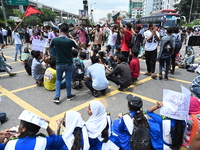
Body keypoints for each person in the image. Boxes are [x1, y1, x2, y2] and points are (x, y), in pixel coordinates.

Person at [49, 23, 80, 103]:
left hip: (59, 63)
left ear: (60, 30)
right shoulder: (70, 41)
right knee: (68, 79)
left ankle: (57, 97)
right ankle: (69, 95)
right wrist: (71, 37)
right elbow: (78, 48)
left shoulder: (55, 40)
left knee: (58, 79)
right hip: (69, 63)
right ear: (67, 31)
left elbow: (50, 47)